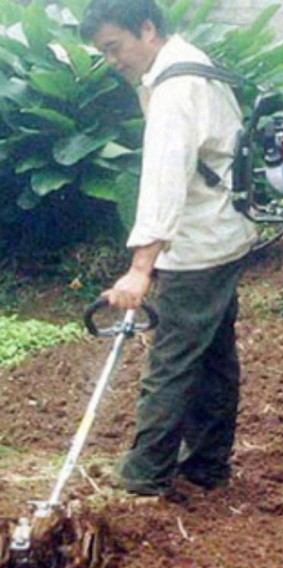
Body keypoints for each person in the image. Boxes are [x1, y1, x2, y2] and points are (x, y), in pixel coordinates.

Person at [81, 0, 258, 497]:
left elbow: (165, 179)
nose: (112, 60)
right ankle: (205, 466)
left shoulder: (176, 86)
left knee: (172, 362)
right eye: (103, 53)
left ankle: (144, 479)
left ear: (147, 28)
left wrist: (141, 268)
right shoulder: (190, 63)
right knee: (214, 355)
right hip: (225, 234)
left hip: (200, 245)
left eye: (114, 47)